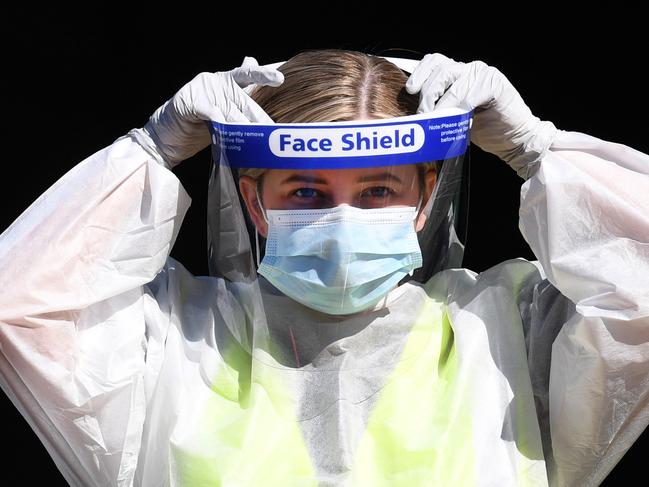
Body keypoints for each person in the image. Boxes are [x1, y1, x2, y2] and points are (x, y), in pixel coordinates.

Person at [0, 48, 647, 487]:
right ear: (254, 200)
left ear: (424, 198)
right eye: (306, 192)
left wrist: (536, 149)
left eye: (375, 192)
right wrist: (153, 147)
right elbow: (20, 302)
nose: (341, 217)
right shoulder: (169, 347)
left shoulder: (508, 336)